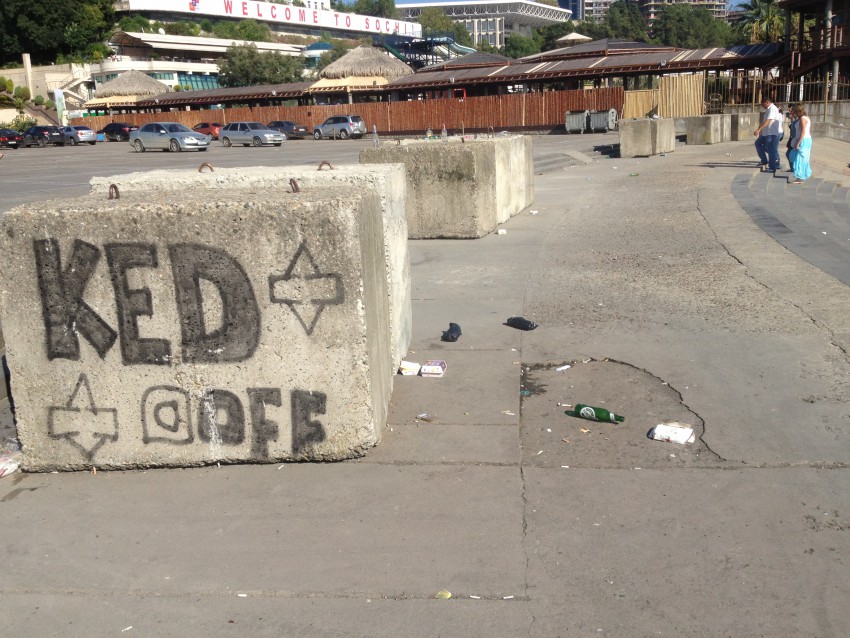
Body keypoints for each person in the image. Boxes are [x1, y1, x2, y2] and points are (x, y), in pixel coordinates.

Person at [753, 97, 782, 172]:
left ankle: (772, 167)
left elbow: (768, 120)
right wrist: (761, 131)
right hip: (766, 133)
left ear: (767, 102)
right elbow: (765, 121)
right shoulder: (768, 109)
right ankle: (764, 160)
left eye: (763, 104)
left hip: (771, 133)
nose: (762, 106)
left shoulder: (772, 108)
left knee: (771, 149)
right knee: (758, 143)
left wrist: (759, 130)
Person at [789, 105, 812, 184]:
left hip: (803, 140)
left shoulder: (802, 119)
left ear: (798, 112)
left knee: (799, 158)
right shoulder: (806, 118)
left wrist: (798, 143)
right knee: (800, 157)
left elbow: (803, 132)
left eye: (795, 112)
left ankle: (800, 178)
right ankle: (801, 176)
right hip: (806, 139)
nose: (794, 114)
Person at [785, 105, 798, 171]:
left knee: (789, 154)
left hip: (795, 139)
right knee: (789, 153)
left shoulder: (797, 119)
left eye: (791, 110)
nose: (789, 111)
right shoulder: (794, 119)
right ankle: (793, 168)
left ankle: (793, 168)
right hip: (792, 138)